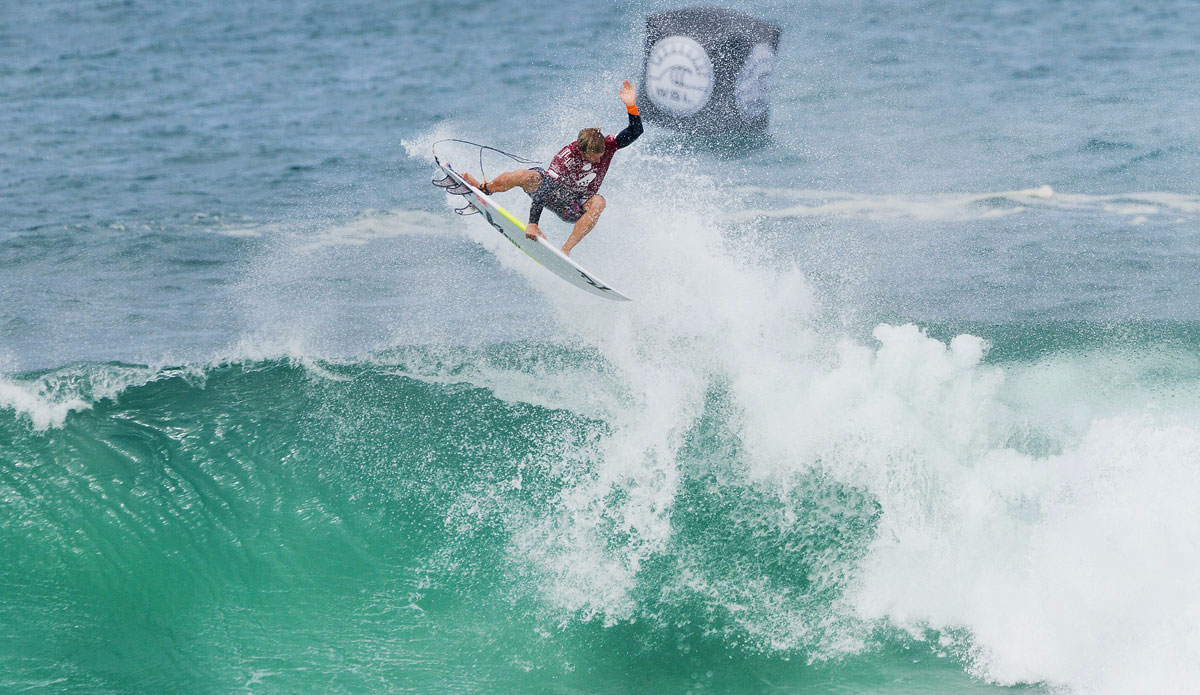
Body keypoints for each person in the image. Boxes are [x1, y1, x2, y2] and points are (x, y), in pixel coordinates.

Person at [460, 80, 643, 256]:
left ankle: (566, 249)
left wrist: (630, 106)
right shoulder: (567, 157)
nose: (599, 159)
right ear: (581, 151)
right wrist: (532, 223)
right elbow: (545, 188)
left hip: (574, 206)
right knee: (525, 175)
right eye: (594, 156)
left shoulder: (608, 145)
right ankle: (483, 189)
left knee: (599, 203)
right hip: (551, 195)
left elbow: (636, 131)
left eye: (601, 154)